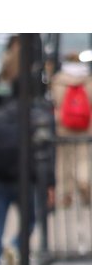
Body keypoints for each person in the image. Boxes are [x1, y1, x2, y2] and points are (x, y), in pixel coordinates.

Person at [0, 81, 56, 265]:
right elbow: (44, 153)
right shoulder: (35, 116)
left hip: (0, 178)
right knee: (31, 221)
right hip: (25, 177)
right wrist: (50, 182)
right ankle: (15, 245)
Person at [52, 53, 92, 211]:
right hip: (86, 128)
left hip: (63, 128)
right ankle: (84, 183)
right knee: (83, 160)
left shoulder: (59, 80)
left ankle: (66, 194)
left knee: (64, 163)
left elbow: (56, 103)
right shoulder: (88, 80)